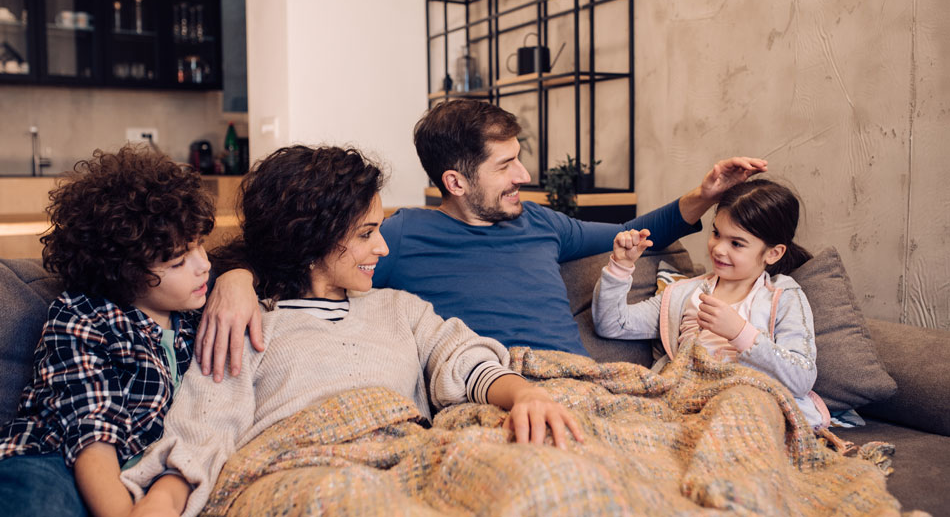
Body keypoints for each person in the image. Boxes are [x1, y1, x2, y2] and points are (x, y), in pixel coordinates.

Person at [121, 145, 583, 517]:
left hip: (413, 453)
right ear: (312, 240)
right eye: (366, 233)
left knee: (544, 478)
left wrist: (525, 395)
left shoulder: (400, 308)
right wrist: (163, 498)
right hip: (300, 470)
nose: (382, 247)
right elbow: (205, 422)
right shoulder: (248, 321)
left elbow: (462, 358)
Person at [197, 100, 768, 381]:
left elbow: (635, 235)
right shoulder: (396, 237)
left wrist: (704, 193)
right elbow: (301, 248)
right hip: (488, 387)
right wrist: (235, 278)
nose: (524, 176)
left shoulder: (542, 223)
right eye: (507, 165)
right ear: (456, 181)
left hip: (585, 381)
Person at [0, 146, 215, 517]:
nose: (204, 266)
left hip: (146, 470)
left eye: (201, 247)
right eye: (179, 260)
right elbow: (92, 437)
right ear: (126, 273)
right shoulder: (81, 316)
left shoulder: (195, 316)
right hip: (58, 460)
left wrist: (239, 282)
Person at [591, 179, 830, 428]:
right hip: (685, 403)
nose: (718, 249)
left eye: (736, 243)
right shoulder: (685, 294)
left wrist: (740, 332)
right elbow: (612, 324)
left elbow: (801, 378)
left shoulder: (783, 296)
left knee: (739, 405)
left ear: (773, 253)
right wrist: (621, 266)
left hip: (747, 408)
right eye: (716, 233)